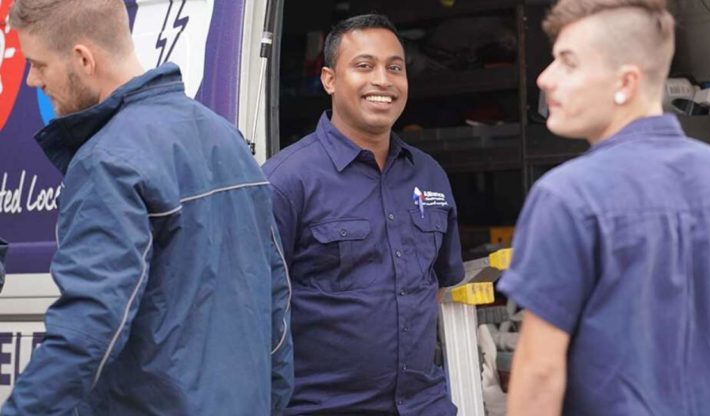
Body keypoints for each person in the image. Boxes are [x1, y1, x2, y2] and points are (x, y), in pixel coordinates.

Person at [3, 1, 292, 414]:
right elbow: (276, 308)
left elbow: (91, 325)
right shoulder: (227, 138)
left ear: (83, 59)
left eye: (39, 64)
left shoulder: (106, 161)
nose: (32, 79)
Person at [497, 0, 710, 415]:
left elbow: (539, 374)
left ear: (625, 82)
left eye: (568, 63)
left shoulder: (567, 197)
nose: (545, 78)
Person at [263, 13, 464, 416]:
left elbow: (436, 285)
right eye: (364, 66)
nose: (383, 81)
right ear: (329, 80)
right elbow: (251, 308)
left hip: (424, 406)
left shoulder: (429, 175)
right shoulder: (286, 180)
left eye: (395, 68)